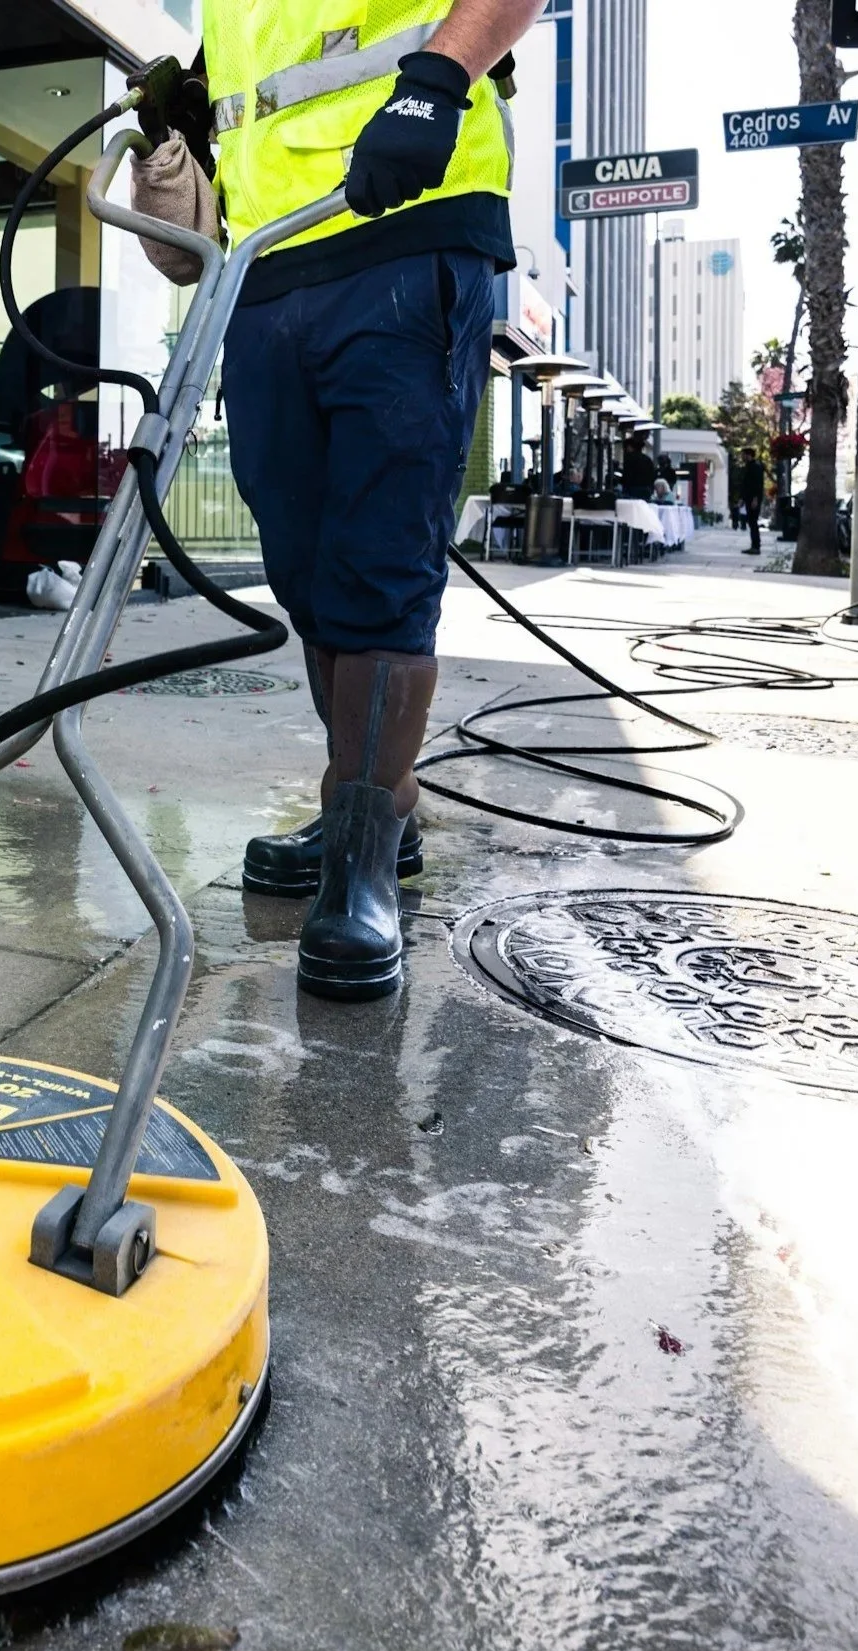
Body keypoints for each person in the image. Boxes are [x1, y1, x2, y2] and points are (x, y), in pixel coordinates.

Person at [206, 0, 544, 1002]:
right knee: (303, 562)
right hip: (266, 256)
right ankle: (365, 814)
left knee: (379, 556)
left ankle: (362, 858)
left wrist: (437, 80)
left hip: (406, 215)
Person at [740, 448, 767, 554]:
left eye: (743, 455)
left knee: (753, 522)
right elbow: (746, 484)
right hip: (749, 498)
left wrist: (755, 499)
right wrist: (743, 499)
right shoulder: (749, 466)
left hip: (753, 498)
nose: (742, 457)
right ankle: (754, 545)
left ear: (748, 455)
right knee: (751, 522)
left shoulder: (756, 467)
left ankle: (756, 546)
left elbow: (758, 484)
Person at [620, 432, 658, 502]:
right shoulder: (647, 459)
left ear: (629, 447)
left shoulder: (629, 458)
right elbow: (652, 476)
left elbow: (627, 475)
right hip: (646, 490)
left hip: (631, 490)